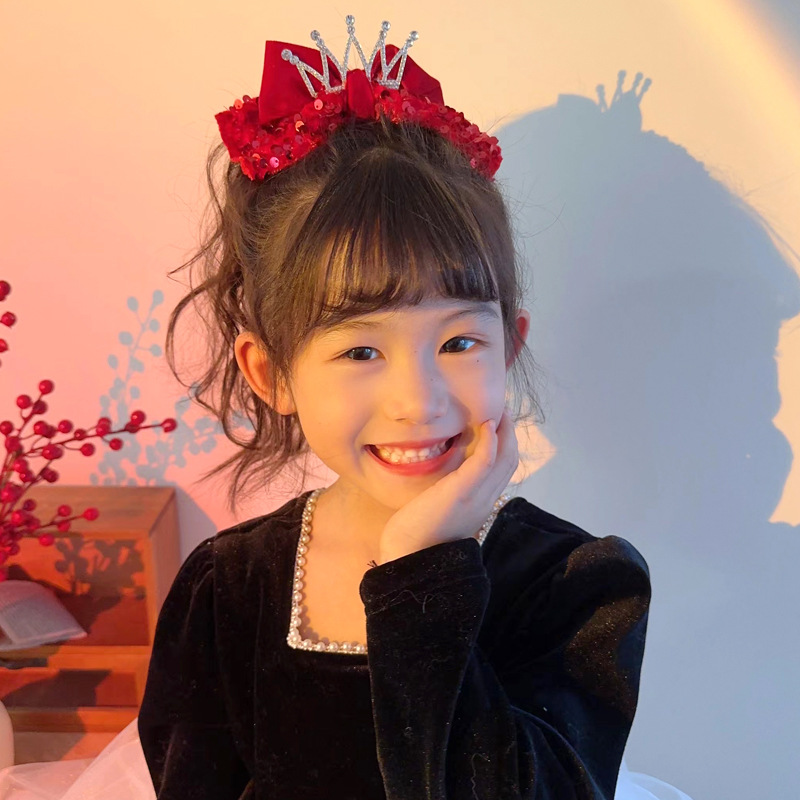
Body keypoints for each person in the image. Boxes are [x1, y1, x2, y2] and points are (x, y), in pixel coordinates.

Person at [0, 14, 696, 800]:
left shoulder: (574, 584)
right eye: (361, 352)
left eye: (458, 342)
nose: (418, 400)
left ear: (509, 345)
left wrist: (422, 568)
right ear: (271, 373)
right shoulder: (228, 591)